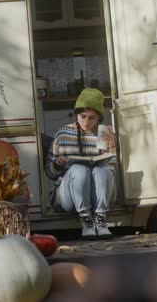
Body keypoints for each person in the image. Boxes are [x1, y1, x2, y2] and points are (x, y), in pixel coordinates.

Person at [45, 87, 116, 240]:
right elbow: (49, 173)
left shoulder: (104, 133)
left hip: (96, 195)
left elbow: (111, 171)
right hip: (68, 197)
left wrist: (111, 148)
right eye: (83, 116)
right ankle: (86, 221)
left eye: (92, 118)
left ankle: (100, 219)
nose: (86, 122)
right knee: (79, 169)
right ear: (76, 114)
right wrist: (57, 164)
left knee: (103, 169)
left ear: (99, 119)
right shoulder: (63, 133)